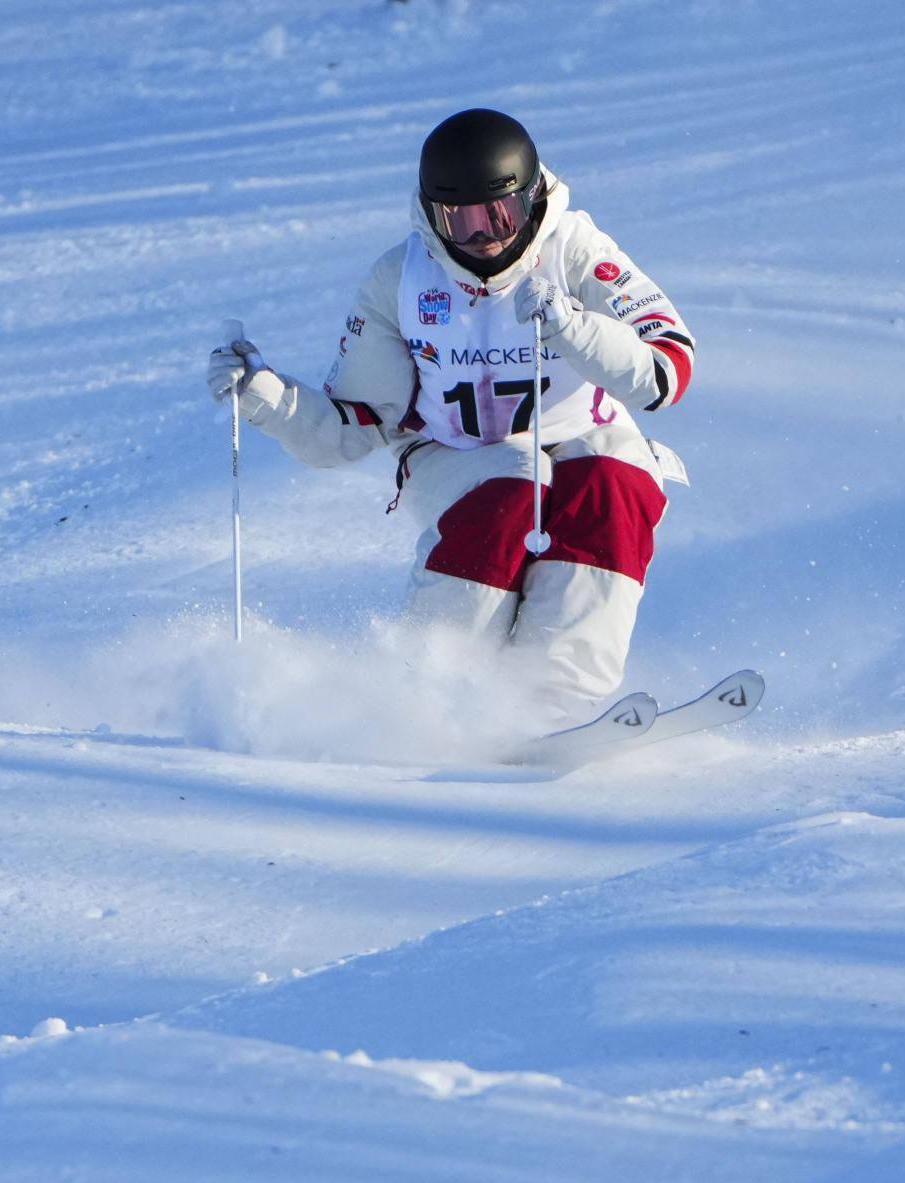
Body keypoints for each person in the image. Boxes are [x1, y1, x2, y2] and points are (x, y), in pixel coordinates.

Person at [207, 107, 694, 727]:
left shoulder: (576, 252)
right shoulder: (403, 282)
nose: (484, 235)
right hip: (456, 457)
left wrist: (576, 329)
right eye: (458, 220)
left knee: (615, 484)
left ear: (532, 198)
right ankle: (428, 691)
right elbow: (352, 427)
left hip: (584, 434)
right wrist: (264, 396)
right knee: (516, 485)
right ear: (431, 214)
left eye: (500, 214)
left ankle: (551, 708)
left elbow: (666, 371)